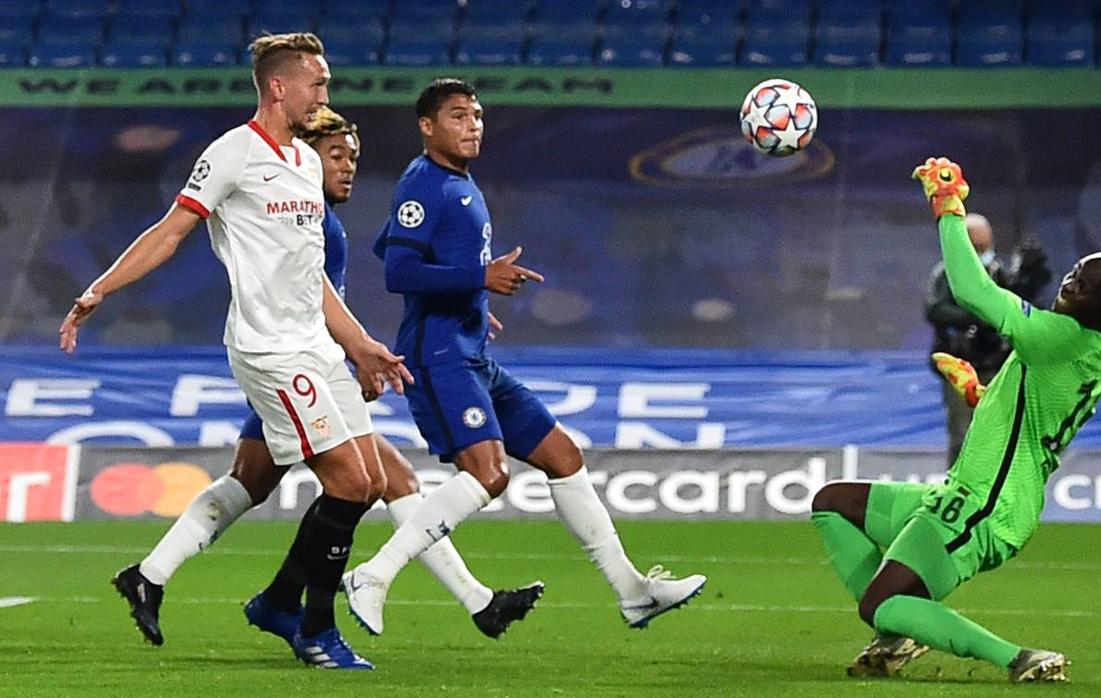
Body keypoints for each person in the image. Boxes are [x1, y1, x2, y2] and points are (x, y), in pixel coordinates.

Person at [105, 106, 542, 651]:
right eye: (336, 155)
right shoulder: (311, 220)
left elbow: (330, 288)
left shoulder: (320, 222)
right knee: (375, 482)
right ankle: (318, 610)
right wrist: (351, 356)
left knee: (254, 481)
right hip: (290, 365)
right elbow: (309, 294)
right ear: (303, 156)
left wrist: (357, 349)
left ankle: (156, 577)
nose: (348, 167)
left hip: (303, 362)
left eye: (353, 157)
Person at [59, 34, 409, 670]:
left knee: (373, 481)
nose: (325, 96)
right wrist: (98, 290)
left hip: (316, 345)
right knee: (352, 482)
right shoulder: (232, 154)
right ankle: (313, 629)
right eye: (318, 84)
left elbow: (314, 277)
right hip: (269, 350)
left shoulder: (305, 163)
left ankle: (275, 602)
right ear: (279, 87)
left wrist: (361, 345)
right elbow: (170, 233)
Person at [339, 78, 706, 637]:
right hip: (438, 355)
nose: (473, 125)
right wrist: (476, 279)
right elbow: (397, 271)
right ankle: (374, 574)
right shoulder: (424, 183)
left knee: (562, 455)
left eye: (477, 116)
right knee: (488, 476)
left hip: (469, 348)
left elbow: (390, 244)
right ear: (427, 126)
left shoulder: (457, 182)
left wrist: (469, 296)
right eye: (458, 116)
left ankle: (634, 593)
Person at [810, 157, 1101, 683]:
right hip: (966, 494)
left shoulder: (1061, 337)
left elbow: (972, 292)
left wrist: (947, 209)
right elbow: (1034, 420)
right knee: (834, 503)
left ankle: (1018, 658)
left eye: (1087, 286)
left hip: (986, 505)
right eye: (1076, 273)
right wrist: (979, 394)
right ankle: (897, 635)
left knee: (879, 604)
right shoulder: (1080, 347)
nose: (1071, 285)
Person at [925, 213, 1051, 466]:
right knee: (963, 433)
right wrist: (977, 318)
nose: (985, 252)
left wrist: (1031, 278)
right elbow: (935, 309)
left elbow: (1019, 306)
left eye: (987, 245)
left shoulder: (998, 272)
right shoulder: (947, 273)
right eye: (978, 247)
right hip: (962, 365)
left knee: (1001, 431)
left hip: (997, 364)